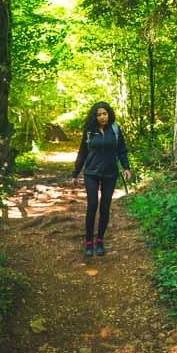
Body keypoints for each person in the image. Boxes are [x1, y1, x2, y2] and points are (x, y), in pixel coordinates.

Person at [72, 102, 131, 258]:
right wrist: (75, 173)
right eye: (99, 114)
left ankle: (99, 241)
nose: (102, 117)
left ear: (109, 114)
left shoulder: (115, 130)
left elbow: (122, 150)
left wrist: (126, 167)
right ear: (95, 116)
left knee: (105, 207)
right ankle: (89, 242)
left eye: (104, 114)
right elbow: (82, 153)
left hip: (110, 174)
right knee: (92, 205)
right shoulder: (89, 132)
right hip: (91, 173)